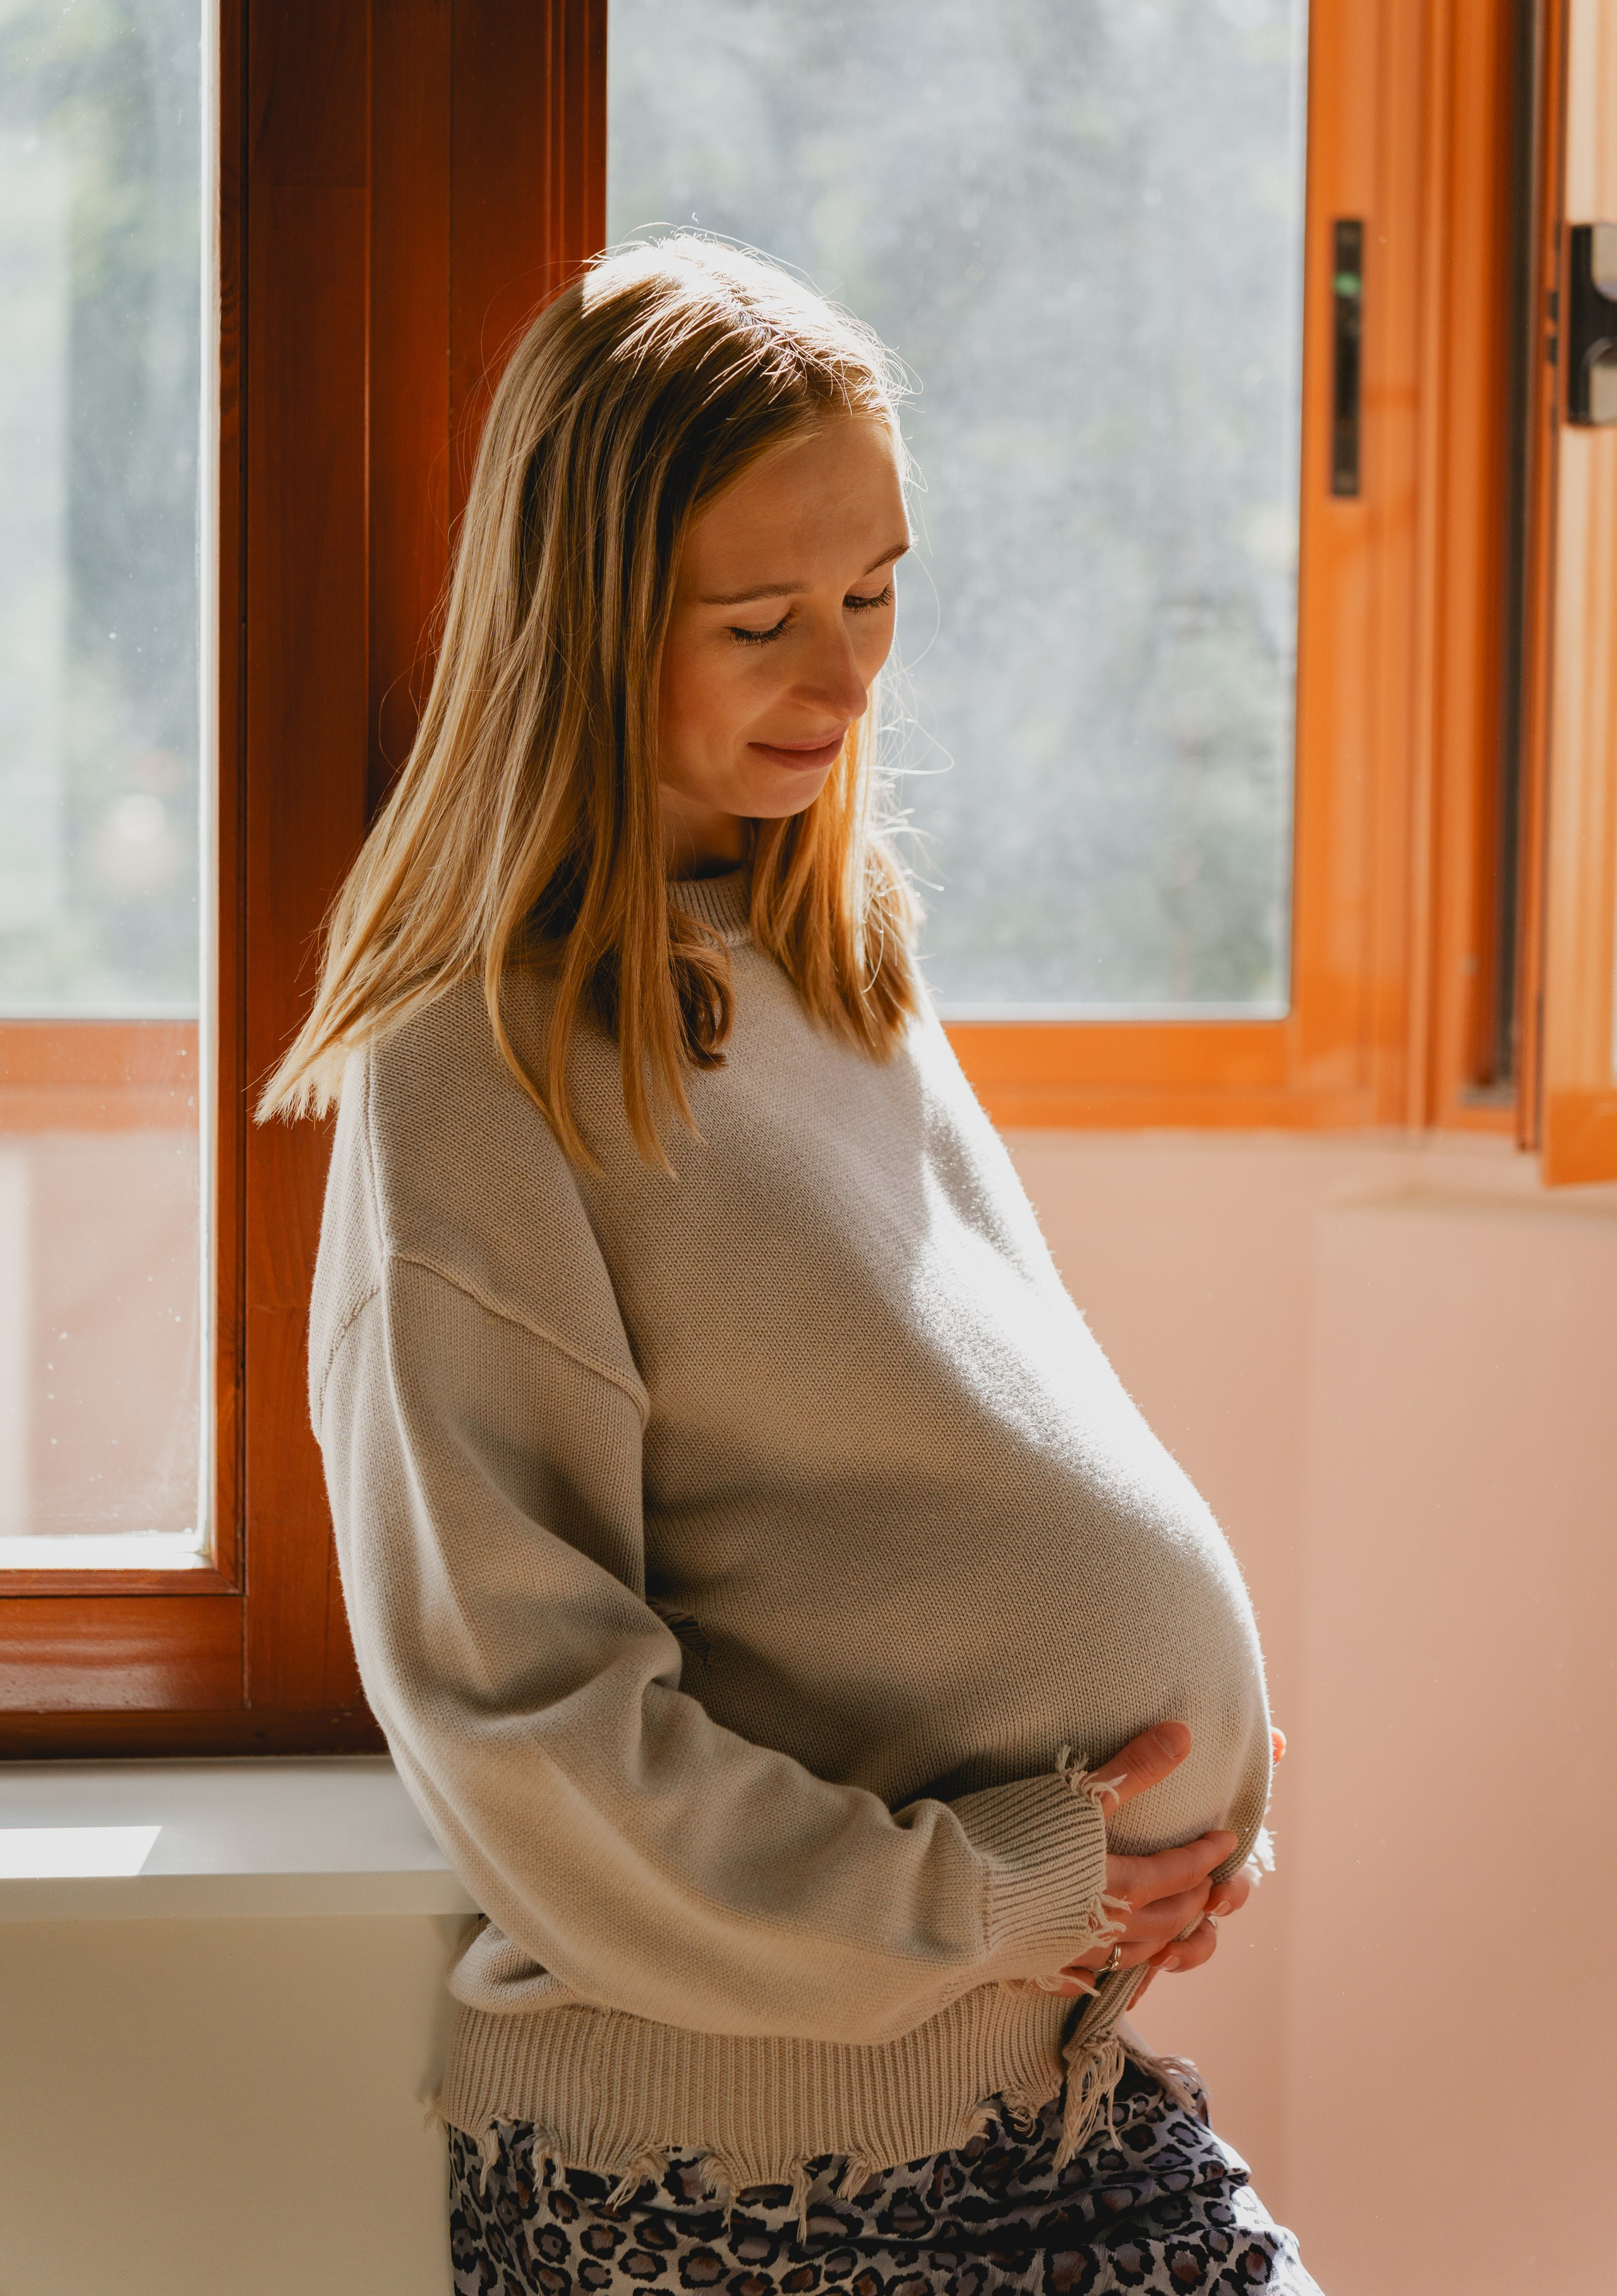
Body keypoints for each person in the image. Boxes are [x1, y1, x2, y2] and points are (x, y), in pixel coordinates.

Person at [262, 237, 1319, 2293]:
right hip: (752, 2182)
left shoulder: (827, 970)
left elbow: (952, 1501)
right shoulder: (474, 1071)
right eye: (763, 620)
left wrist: (1155, 1842)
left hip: (1039, 2088)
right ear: (582, 628)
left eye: (877, 594)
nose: (846, 680)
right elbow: (532, 1743)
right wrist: (1016, 1889)